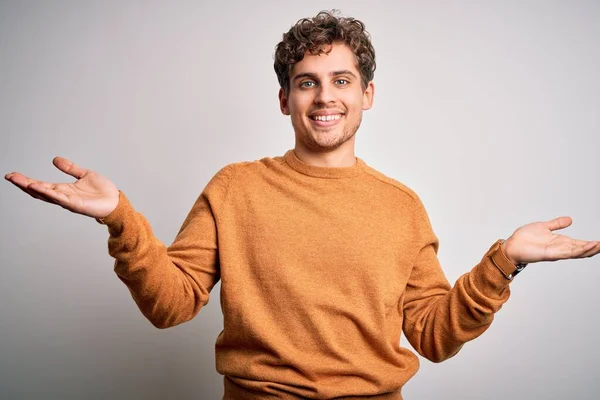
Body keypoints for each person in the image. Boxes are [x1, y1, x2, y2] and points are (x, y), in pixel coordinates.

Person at [4, 10, 599, 400]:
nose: (324, 97)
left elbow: (433, 336)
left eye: (341, 80)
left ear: (367, 95)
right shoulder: (235, 187)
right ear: (284, 99)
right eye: (307, 81)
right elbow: (171, 305)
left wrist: (503, 262)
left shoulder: (401, 206)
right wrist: (120, 220)